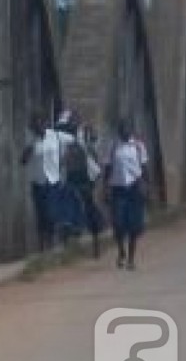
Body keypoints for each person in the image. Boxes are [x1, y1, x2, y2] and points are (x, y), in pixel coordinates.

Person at [22, 110, 79, 251]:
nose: (38, 126)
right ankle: (43, 245)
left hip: (53, 181)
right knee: (41, 214)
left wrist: (66, 159)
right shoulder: (30, 140)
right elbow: (23, 161)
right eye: (35, 124)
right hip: (38, 182)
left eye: (41, 123)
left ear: (46, 124)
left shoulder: (56, 136)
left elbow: (75, 143)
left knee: (51, 212)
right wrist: (29, 148)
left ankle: (54, 241)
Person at [104, 119, 150, 270]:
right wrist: (105, 188)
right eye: (122, 129)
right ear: (118, 131)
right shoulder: (112, 146)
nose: (125, 131)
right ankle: (121, 251)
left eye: (127, 129)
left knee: (134, 225)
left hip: (134, 188)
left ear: (131, 130)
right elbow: (108, 168)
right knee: (118, 223)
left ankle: (131, 258)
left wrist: (147, 187)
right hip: (118, 189)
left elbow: (144, 168)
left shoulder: (138, 146)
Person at [63, 117, 105, 258]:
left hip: (84, 179)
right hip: (73, 180)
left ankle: (95, 243)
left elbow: (92, 161)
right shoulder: (66, 142)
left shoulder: (82, 143)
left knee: (88, 208)